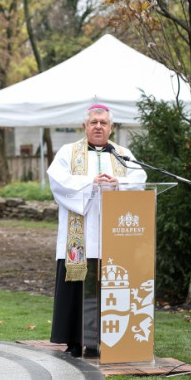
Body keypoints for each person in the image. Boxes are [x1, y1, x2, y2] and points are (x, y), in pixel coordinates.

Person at [47, 105, 146, 357]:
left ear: (111, 127)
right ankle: (73, 341)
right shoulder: (68, 152)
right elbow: (57, 181)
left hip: (112, 231)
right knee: (76, 286)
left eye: (103, 122)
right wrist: (91, 183)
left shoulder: (122, 154)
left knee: (109, 285)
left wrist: (118, 183)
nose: (98, 126)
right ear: (85, 126)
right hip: (80, 230)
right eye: (94, 122)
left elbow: (140, 179)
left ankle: (104, 342)